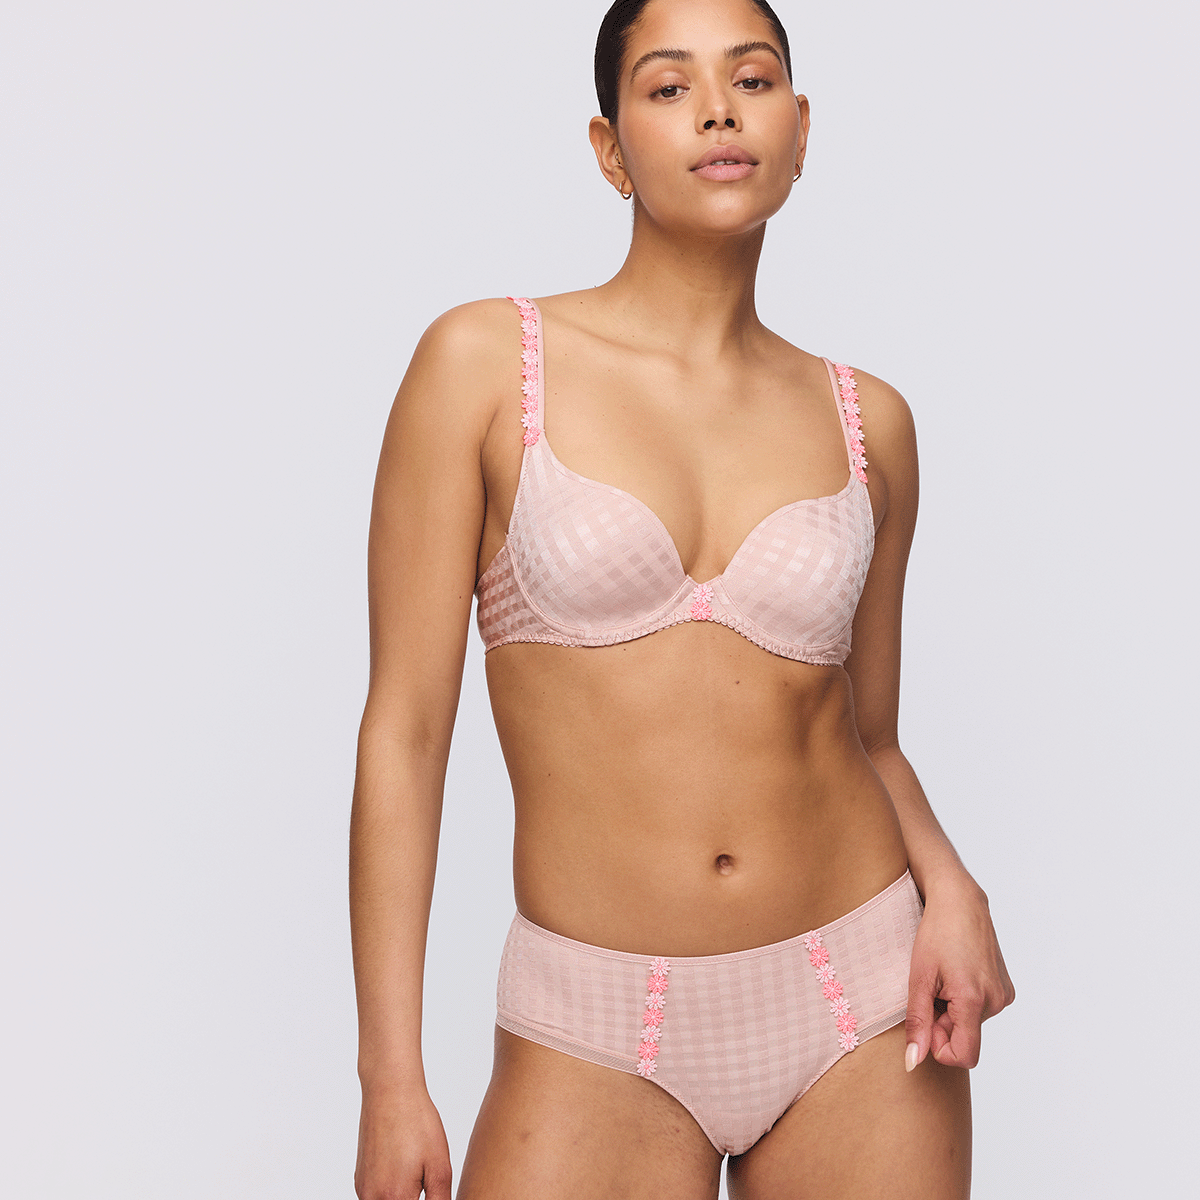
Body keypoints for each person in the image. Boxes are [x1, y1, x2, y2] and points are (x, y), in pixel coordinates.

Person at [350, 0, 1015, 1196]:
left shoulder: (872, 424)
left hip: (859, 994)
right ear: (610, 149)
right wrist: (390, 1076)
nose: (717, 111)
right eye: (669, 88)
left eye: (751, 80)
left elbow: (869, 736)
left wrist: (953, 888)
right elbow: (405, 733)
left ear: (799, 131)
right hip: (593, 1025)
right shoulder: (485, 366)